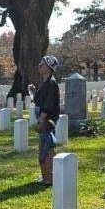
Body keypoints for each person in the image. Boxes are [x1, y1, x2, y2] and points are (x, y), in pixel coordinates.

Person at [30, 55, 60, 187]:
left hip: (47, 120)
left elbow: (47, 104)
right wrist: (33, 92)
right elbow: (39, 100)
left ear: (49, 67)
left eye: (42, 64)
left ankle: (49, 178)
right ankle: (46, 175)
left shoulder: (51, 83)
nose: (39, 66)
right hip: (44, 118)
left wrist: (41, 120)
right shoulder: (45, 82)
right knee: (45, 147)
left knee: (46, 149)